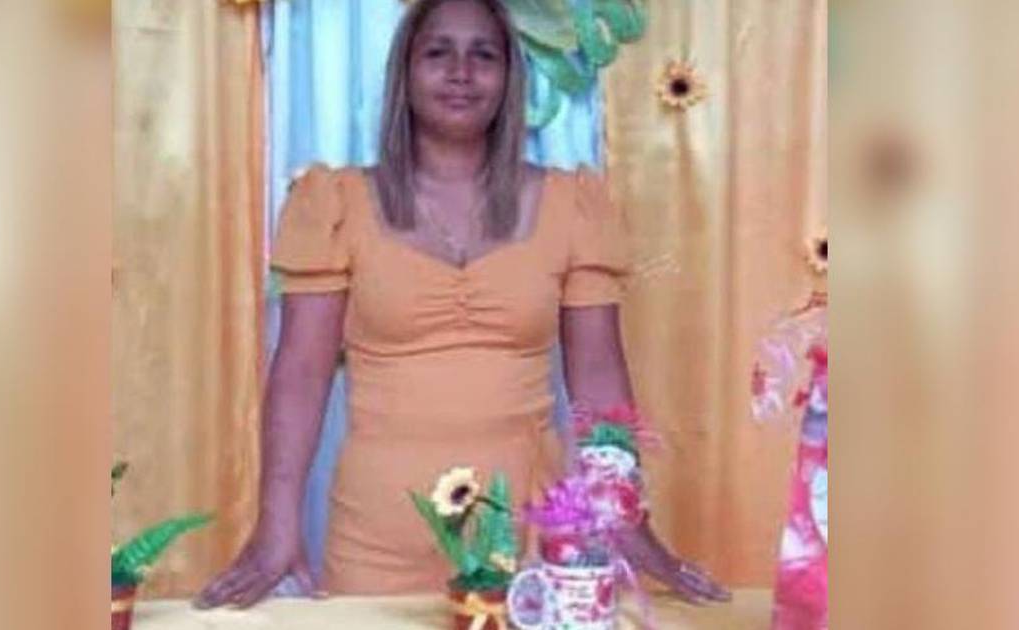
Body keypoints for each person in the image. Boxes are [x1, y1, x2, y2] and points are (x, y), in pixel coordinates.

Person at [194, 0, 730, 608]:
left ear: (509, 78)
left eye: (484, 55)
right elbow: (299, 375)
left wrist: (624, 518)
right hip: (377, 540)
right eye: (437, 53)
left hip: (532, 538)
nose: (461, 72)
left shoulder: (572, 205)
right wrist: (276, 525)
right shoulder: (336, 203)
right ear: (405, 73)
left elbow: (600, 380)